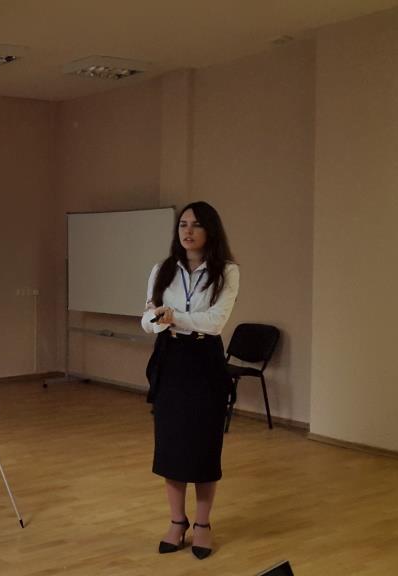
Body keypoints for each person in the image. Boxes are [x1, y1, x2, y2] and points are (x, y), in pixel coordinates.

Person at [140, 201, 239, 560]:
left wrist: (174, 316)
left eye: (196, 224)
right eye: (183, 224)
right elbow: (147, 320)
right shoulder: (162, 269)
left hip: (204, 361)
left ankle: (203, 525)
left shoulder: (226, 271)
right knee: (172, 445)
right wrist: (160, 319)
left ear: (210, 230)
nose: (188, 231)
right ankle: (176, 521)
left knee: (204, 447)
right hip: (171, 359)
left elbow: (215, 322)